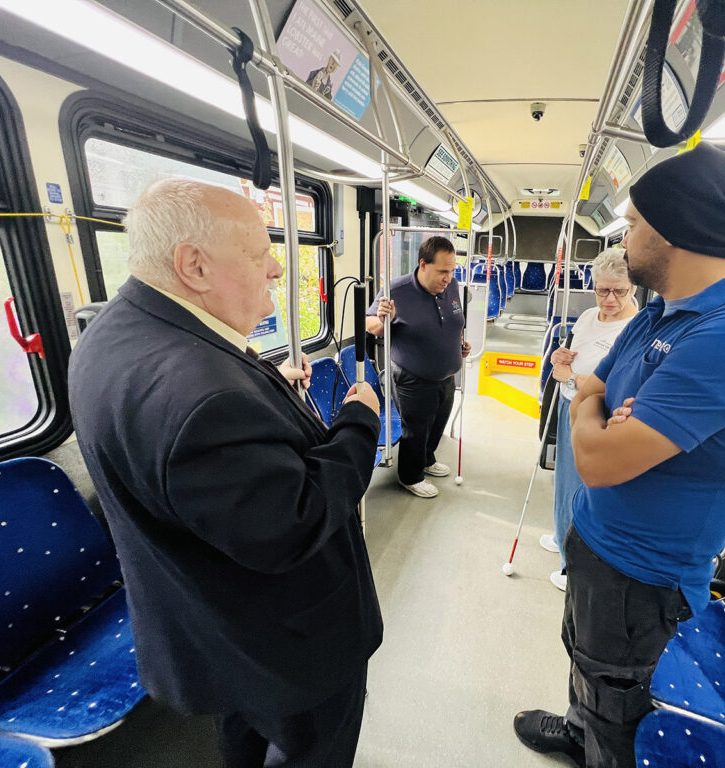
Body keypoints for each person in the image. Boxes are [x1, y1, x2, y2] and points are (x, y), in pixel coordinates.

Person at [68, 178, 383, 768]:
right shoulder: (204, 396)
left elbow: (203, 449)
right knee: (309, 748)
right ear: (195, 265)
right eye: (261, 254)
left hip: (213, 626)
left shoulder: (113, 335)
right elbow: (294, 521)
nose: (276, 271)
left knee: (244, 736)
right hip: (287, 643)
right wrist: (359, 423)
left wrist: (269, 395)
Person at [513, 142, 725, 768]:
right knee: (587, 663)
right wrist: (598, 414)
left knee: (624, 706)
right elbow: (591, 387)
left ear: (676, 231)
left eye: (636, 223)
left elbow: (593, 457)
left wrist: (595, 418)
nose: (627, 235)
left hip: (645, 582)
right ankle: (579, 729)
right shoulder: (660, 317)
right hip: (597, 540)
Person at [540, 248, 638, 592]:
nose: (609, 299)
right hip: (571, 408)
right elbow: (572, 359)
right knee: (566, 482)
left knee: (586, 490)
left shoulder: (634, 329)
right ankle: (561, 532)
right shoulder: (587, 318)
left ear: (633, 289)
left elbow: (618, 385)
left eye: (619, 291)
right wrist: (560, 358)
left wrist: (569, 376)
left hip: (597, 417)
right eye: (602, 290)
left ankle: (574, 568)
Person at [366, 235, 470, 498]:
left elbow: (454, 322)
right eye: (443, 271)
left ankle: (426, 459)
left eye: (452, 270)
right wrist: (384, 319)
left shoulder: (453, 286)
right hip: (412, 375)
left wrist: (459, 346)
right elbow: (371, 327)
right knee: (416, 427)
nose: (448, 277)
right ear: (423, 265)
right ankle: (410, 476)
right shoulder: (395, 291)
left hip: (446, 374)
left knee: (437, 423)